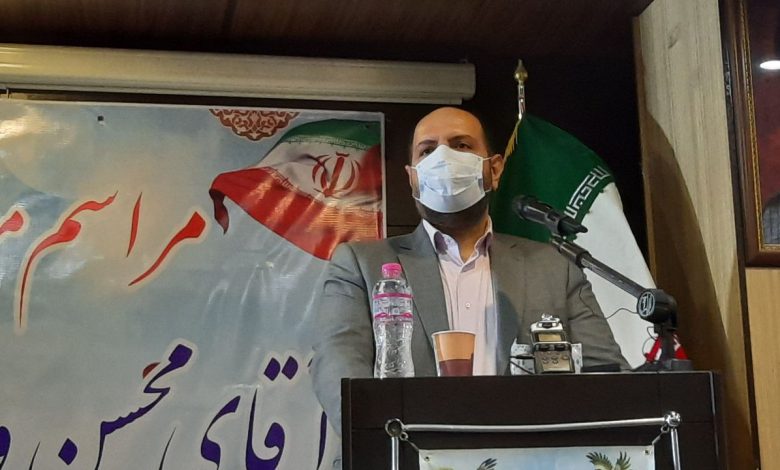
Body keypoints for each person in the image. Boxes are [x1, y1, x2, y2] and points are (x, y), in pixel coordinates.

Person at [311, 107, 628, 436]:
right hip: (408, 453)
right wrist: (385, 442)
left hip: (532, 453)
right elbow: (338, 369)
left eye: (461, 145)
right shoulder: (361, 266)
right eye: (427, 150)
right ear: (412, 177)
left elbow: (606, 376)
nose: (443, 158)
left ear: (494, 169)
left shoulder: (554, 267)